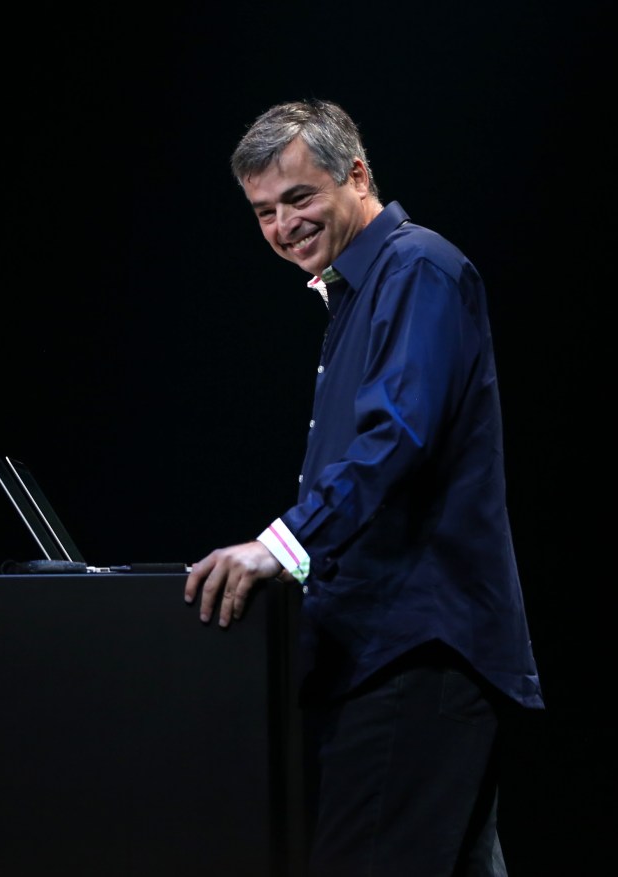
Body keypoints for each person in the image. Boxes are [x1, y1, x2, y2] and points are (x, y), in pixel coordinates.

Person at [183, 99, 544, 876]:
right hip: (398, 653)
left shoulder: (418, 268)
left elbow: (397, 438)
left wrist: (279, 547)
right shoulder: (357, 290)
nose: (283, 225)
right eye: (264, 212)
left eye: (299, 198)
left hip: (416, 651)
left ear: (357, 174)